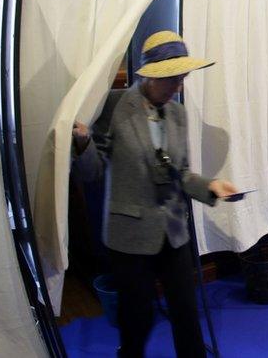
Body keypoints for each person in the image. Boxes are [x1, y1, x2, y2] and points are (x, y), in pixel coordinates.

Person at [71, 31, 238, 358]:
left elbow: (183, 172)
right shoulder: (114, 107)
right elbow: (91, 173)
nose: (179, 87)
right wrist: (82, 144)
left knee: (187, 314)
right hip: (129, 235)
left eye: (182, 79)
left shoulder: (178, 113)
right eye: (172, 79)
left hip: (173, 231)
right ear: (149, 76)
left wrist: (211, 187)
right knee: (137, 317)